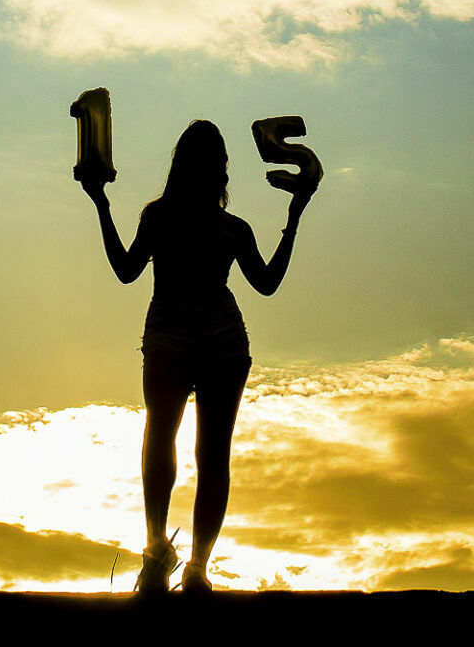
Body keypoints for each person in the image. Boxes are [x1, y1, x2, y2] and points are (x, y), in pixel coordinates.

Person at [80, 119, 316, 594]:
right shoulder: (222, 227)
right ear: (217, 169)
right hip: (205, 338)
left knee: (170, 443)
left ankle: (166, 557)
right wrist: (294, 215)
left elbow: (126, 270)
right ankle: (187, 563)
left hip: (188, 337)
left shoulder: (168, 218)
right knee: (204, 452)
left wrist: (101, 203)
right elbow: (267, 283)